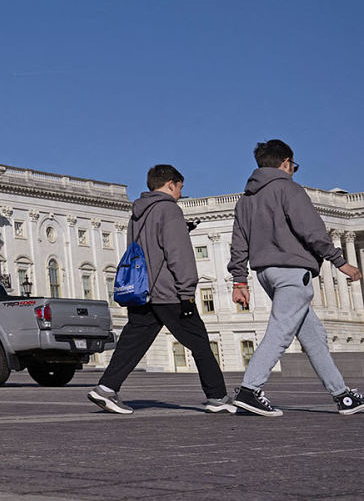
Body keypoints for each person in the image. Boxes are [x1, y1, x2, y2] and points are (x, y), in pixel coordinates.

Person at [228, 140, 364, 417]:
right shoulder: (289, 189)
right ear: (286, 162)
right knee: (280, 333)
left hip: (265, 273)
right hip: (292, 272)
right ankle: (249, 390)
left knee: (314, 337)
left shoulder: (246, 200)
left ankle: (342, 396)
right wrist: (340, 262)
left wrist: (239, 281)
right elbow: (312, 230)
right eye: (294, 166)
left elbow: (238, 243)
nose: (293, 171)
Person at [88, 165, 232, 415]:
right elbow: (179, 255)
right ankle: (217, 397)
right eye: (180, 188)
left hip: (142, 292)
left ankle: (105, 389)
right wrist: (187, 292)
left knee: (131, 344)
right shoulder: (169, 210)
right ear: (170, 184)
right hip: (168, 292)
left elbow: (146, 248)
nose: (180, 193)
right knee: (199, 343)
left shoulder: (137, 213)